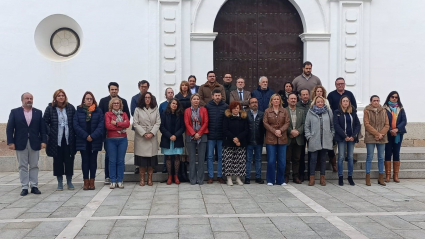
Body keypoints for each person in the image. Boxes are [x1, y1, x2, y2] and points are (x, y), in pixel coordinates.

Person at [7, 92, 47, 196]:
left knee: (34, 165)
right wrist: (10, 142)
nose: (29, 100)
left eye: (31, 98)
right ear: (22, 100)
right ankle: (24, 187)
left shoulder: (38, 112)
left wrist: (43, 141)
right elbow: (10, 128)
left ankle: (34, 186)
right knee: (22, 166)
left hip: (34, 142)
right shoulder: (15, 112)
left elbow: (42, 129)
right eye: (27, 98)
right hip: (20, 142)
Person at [43, 89, 76, 191]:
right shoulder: (50, 108)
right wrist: (50, 132)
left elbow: (74, 122)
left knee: (69, 161)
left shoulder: (70, 108)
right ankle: (60, 182)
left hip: (68, 139)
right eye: (59, 96)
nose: (61, 97)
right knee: (58, 161)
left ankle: (69, 181)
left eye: (62, 95)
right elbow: (44, 122)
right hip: (55, 140)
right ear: (55, 98)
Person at [99, 82, 130, 184]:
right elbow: (103, 120)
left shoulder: (123, 101)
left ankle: (119, 177)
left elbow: (127, 120)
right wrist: (119, 125)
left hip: (121, 136)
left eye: (115, 89)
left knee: (120, 158)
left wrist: (117, 123)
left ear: (118, 90)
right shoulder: (103, 101)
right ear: (109, 90)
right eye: (112, 89)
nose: (114, 91)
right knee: (109, 156)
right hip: (108, 135)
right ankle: (108, 176)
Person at [73, 91, 104, 190]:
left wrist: (93, 136)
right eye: (87, 99)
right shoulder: (79, 111)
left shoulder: (98, 111)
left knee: (93, 161)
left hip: (94, 140)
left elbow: (101, 125)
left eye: (91, 99)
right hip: (83, 140)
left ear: (93, 100)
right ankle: (86, 181)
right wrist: (86, 136)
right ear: (83, 100)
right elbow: (76, 125)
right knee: (85, 161)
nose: (89, 100)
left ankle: (92, 181)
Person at [305, 96, 334, 186]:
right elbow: (307, 126)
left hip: (325, 139)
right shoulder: (310, 112)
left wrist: (331, 135)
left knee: (323, 159)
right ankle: (312, 178)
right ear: (315, 103)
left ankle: (322, 178)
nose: (320, 103)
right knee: (313, 159)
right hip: (314, 139)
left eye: (322, 102)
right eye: (318, 102)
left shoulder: (328, 112)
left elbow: (332, 125)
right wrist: (309, 136)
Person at [133, 92, 161, 186]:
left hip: (151, 137)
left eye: (149, 97)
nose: (147, 99)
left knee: (151, 160)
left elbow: (158, 122)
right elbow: (135, 123)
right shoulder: (137, 109)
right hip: (141, 137)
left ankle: (150, 178)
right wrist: (144, 133)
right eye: (145, 97)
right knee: (142, 160)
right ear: (142, 99)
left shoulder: (155, 109)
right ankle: (142, 179)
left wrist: (152, 133)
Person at [263, 94, 290, 186]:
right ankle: (270, 180)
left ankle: (281, 180)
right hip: (271, 139)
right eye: (274, 99)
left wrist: (280, 130)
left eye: (277, 99)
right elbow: (265, 123)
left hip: (282, 138)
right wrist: (275, 131)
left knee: (282, 161)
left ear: (280, 101)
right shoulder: (267, 111)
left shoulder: (285, 111)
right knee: (271, 160)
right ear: (271, 101)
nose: (276, 101)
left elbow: (287, 122)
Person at [334, 96, 360, 186]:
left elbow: (357, 125)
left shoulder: (353, 112)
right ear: (341, 102)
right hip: (342, 138)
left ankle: (350, 177)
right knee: (341, 157)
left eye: (347, 101)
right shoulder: (337, 112)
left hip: (351, 138)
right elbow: (336, 125)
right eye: (344, 101)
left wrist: (353, 135)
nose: (345, 102)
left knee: (350, 157)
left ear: (349, 102)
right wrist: (344, 136)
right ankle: (340, 177)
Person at [364, 95, 389, 186]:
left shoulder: (384, 111)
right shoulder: (367, 110)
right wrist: (376, 134)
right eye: (374, 100)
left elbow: (387, 124)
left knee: (381, 157)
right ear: (371, 101)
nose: (376, 102)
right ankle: (367, 177)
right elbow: (367, 124)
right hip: (371, 137)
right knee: (369, 157)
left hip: (382, 137)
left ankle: (381, 177)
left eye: (377, 100)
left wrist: (381, 134)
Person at [310, 85, 337, 172]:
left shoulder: (326, 102)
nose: (319, 93)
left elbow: (330, 118)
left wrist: (331, 133)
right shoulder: (312, 103)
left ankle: (333, 164)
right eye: (317, 91)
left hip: (326, 132)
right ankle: (314, 170)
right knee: (315, 152)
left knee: (328, 150)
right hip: (315, 132)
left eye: (320, 91)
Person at [105, 98, 130, 189]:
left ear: (120, 105)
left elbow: (127, 124)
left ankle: (120, 180)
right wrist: (120, 125)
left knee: (120, 160)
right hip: (111, 139)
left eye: (117, 103)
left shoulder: (124, 114)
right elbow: (108, 126)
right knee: (112, 161)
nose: (116, 104)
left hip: (123, 139)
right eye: (114, 103)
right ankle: (112, 180)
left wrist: (115, 123)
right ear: (111, 104)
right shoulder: (108, 114)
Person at [222, 101, 249, 186]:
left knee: (239, 161)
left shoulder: (243, 117)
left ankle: (238, 178)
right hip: (229, 142)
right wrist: (234, 138)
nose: (236, 110)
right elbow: (225, 129)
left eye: (237, 108)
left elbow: (246, 130)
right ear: (231, 109)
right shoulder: (227, 117)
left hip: (240, 142)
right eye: (234, 108)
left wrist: (238, 138)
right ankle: (229, 178)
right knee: (228, 161)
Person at [184, 93, 209, 185]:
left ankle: (200, 179)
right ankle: (192, 179)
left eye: (197, 99)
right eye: (194, 99)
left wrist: (199, 133)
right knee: (192, 158)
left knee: (201, 159)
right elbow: (186, 123)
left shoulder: (204, 110)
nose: (196, 101)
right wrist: (194, 133)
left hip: (202, 136)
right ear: (191, 100)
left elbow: (206, 122)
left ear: (199, 101)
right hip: (190, 136)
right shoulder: (187, 111)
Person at [205, 89, 228, 184]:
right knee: (210, 156)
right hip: (210, 135)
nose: (217, 97)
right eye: (216, 95)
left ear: (221, 96)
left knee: (221, 157)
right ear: (212, 96)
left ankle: (219, 176)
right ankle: (210, 176)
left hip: (221, 136)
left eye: (219, 95)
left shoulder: (225, 106)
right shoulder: (208, 106)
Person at [160, 98, 185, 185]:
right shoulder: (164, 113)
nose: (174, 105)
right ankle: (169, 176)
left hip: (177, 139)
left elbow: (183, 127)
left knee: (177, 157)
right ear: (170, 104)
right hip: (167, 139)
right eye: (173, 103)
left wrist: (175, 135)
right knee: (168, 158)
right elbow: (162, 127)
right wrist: (170, 135)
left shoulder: (180, 114)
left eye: (176, 104)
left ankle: (176, 176)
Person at [383, 91, 407, 183]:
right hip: (388, 134)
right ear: (389, 97)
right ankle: (388, 175)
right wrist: (390, 130)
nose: (394, 98)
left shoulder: (400, 108)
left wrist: (396, 129)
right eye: (392, 97)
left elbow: (404, 121)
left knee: (396, 153)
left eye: (396, 97)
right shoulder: (385, 109)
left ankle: (395, 175)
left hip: (398, 134)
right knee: (388, 152)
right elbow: (383, 121)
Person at [285, 92, 305, 184]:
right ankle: (286, 176)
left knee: (297, 159)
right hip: (288, 138)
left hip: (298, 138)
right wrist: (290, 131)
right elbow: (283, 123)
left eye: (295, 99)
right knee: (287, 159)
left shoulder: (301, 111)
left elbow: (304, 124)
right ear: (288, 100)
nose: (293, 100)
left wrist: (298, 132)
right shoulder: (284, 111)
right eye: (291, 99)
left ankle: (295, 176)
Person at [131, 80, 150, 174]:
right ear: (139, 87)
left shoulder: (152, 98)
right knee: (139, 148)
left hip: (150, 129)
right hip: (139, 128)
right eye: (142, 86)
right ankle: (138, 166)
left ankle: (150, 166)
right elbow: (133, 113)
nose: (144, 88)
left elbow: (154, 111)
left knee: (149, 148)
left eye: (145, 86)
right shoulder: (134, 98)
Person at [245, 97, 265, 184]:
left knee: (258, 159)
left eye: (256, 102)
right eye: (252, 102)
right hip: (248, 140)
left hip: (259, 140)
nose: (254, 104)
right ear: (249, 105)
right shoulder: (245, 114)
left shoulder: (262, 114)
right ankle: (247, 177)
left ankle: (258, 177)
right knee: (248, 159)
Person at [296, 89, 311, 181]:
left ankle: (310, 173)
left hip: (311, 132)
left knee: (311, 153)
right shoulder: (297, 105)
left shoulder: (312, 104)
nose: (305, 96)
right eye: (303, 94)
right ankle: (300, 173)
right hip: (301, 132)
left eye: (307, 94)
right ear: (300, 96)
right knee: (300, 154)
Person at [159, 87, 175, 174]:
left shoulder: (176, 104)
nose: (170, 94)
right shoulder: (162, 105)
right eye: (168, 92)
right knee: (167, 151)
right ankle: (165, 167)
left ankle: (174, 169)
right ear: (165, 94)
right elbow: (160, 118)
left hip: (175, 132)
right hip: (166, 131)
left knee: (175, 152)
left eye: (172, 92)